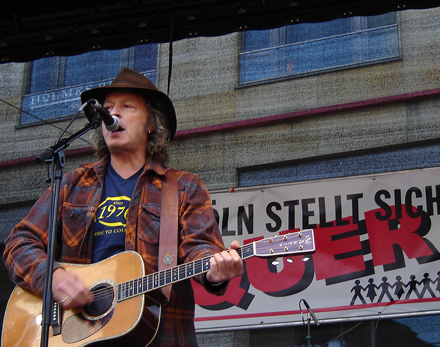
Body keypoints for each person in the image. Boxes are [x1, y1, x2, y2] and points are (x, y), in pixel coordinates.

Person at [3, 67, 244, 346]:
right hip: (77, 336)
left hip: (159, 338)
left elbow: (200, 247)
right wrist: (52, 277)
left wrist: (213, 270)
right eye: (107, 109)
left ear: (152, 123)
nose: (113, 115)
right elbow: (19, 242)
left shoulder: (182, 187)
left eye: (126, 107)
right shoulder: (72, 185)